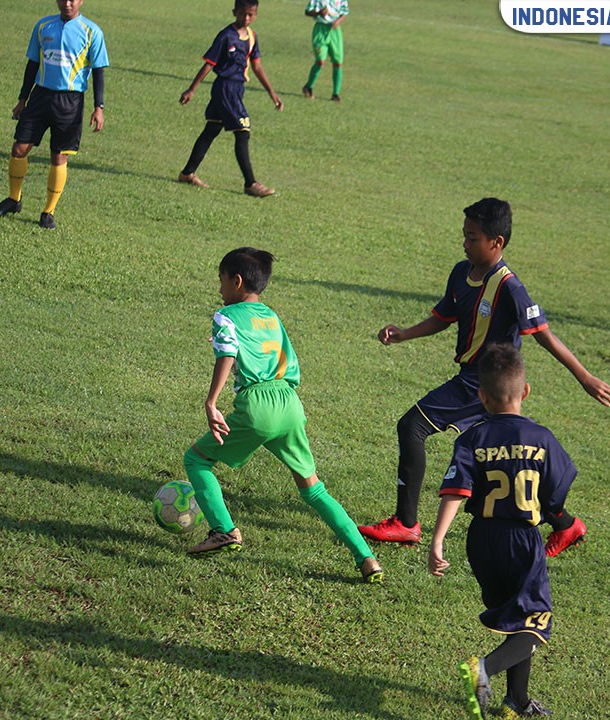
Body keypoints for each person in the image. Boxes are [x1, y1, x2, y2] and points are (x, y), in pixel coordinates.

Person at [358, 198, 610, 557]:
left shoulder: (510, 287)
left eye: (473, 237)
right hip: (473, 379)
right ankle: (566, 524)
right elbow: (444, 317)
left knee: (412, 426)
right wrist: (405, 334)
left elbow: (543, 334)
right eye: (464, 235)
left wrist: (585, 377)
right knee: (508, 457)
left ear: (497, 242)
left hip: (483, 383)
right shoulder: (461, 273)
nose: (465, 243)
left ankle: (406, 522)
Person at [182, 247, 384, 585]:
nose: (219, 289)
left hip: (257, 407)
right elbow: (277, 356)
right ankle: (366, 557)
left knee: (197, 460)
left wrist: (211, 401)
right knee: (314, 489)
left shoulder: (225, 315)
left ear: (236, 281)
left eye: (221, 280)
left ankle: (223, 530)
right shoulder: (271, 316)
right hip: (289, 404)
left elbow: (228, 353)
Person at [429, 343, 573, 718]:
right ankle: (483, 670)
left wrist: (438, 539)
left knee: (516, 617)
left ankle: (517, 701)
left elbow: (455, 491)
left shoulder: (472, 438)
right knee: (536, 622)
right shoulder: (542, 438)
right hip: (521, 540)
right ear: (525, 391)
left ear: (482, 395)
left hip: (481, 540)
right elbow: (555, 495)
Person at [0, 0, 108, 230]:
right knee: (19, 148)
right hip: (40, 96)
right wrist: (22, 99)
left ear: (81, 1)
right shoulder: (43, 26)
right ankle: (14, 199)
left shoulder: (92, 32)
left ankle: (48, 211)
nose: (67, 3)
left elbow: (98, 71)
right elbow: (33, 64)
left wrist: (99, 107)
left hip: (70, 101)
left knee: (58, 156)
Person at [178, 0, 283, 198]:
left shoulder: (252, 37)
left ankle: (187, 173)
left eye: (251, 14)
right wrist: (191, 89)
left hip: (237, 89)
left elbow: (257, 66)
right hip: (225, 89)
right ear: (234, 12)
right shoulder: (226, 36)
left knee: (211, 129)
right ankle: (250, 183)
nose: (246, 18)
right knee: (242, 132)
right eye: (243, 13)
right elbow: (209, 64)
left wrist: (272, 92)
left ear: (256, 15)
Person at [301, 0, 348, 103]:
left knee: (338, 62)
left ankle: (335, 94)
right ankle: (308, 87)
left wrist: (338, 21)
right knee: (320, 61)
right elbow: (307, 11)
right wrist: (318, 13)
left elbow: (344, 13)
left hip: (335, 32)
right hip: (320, 30)